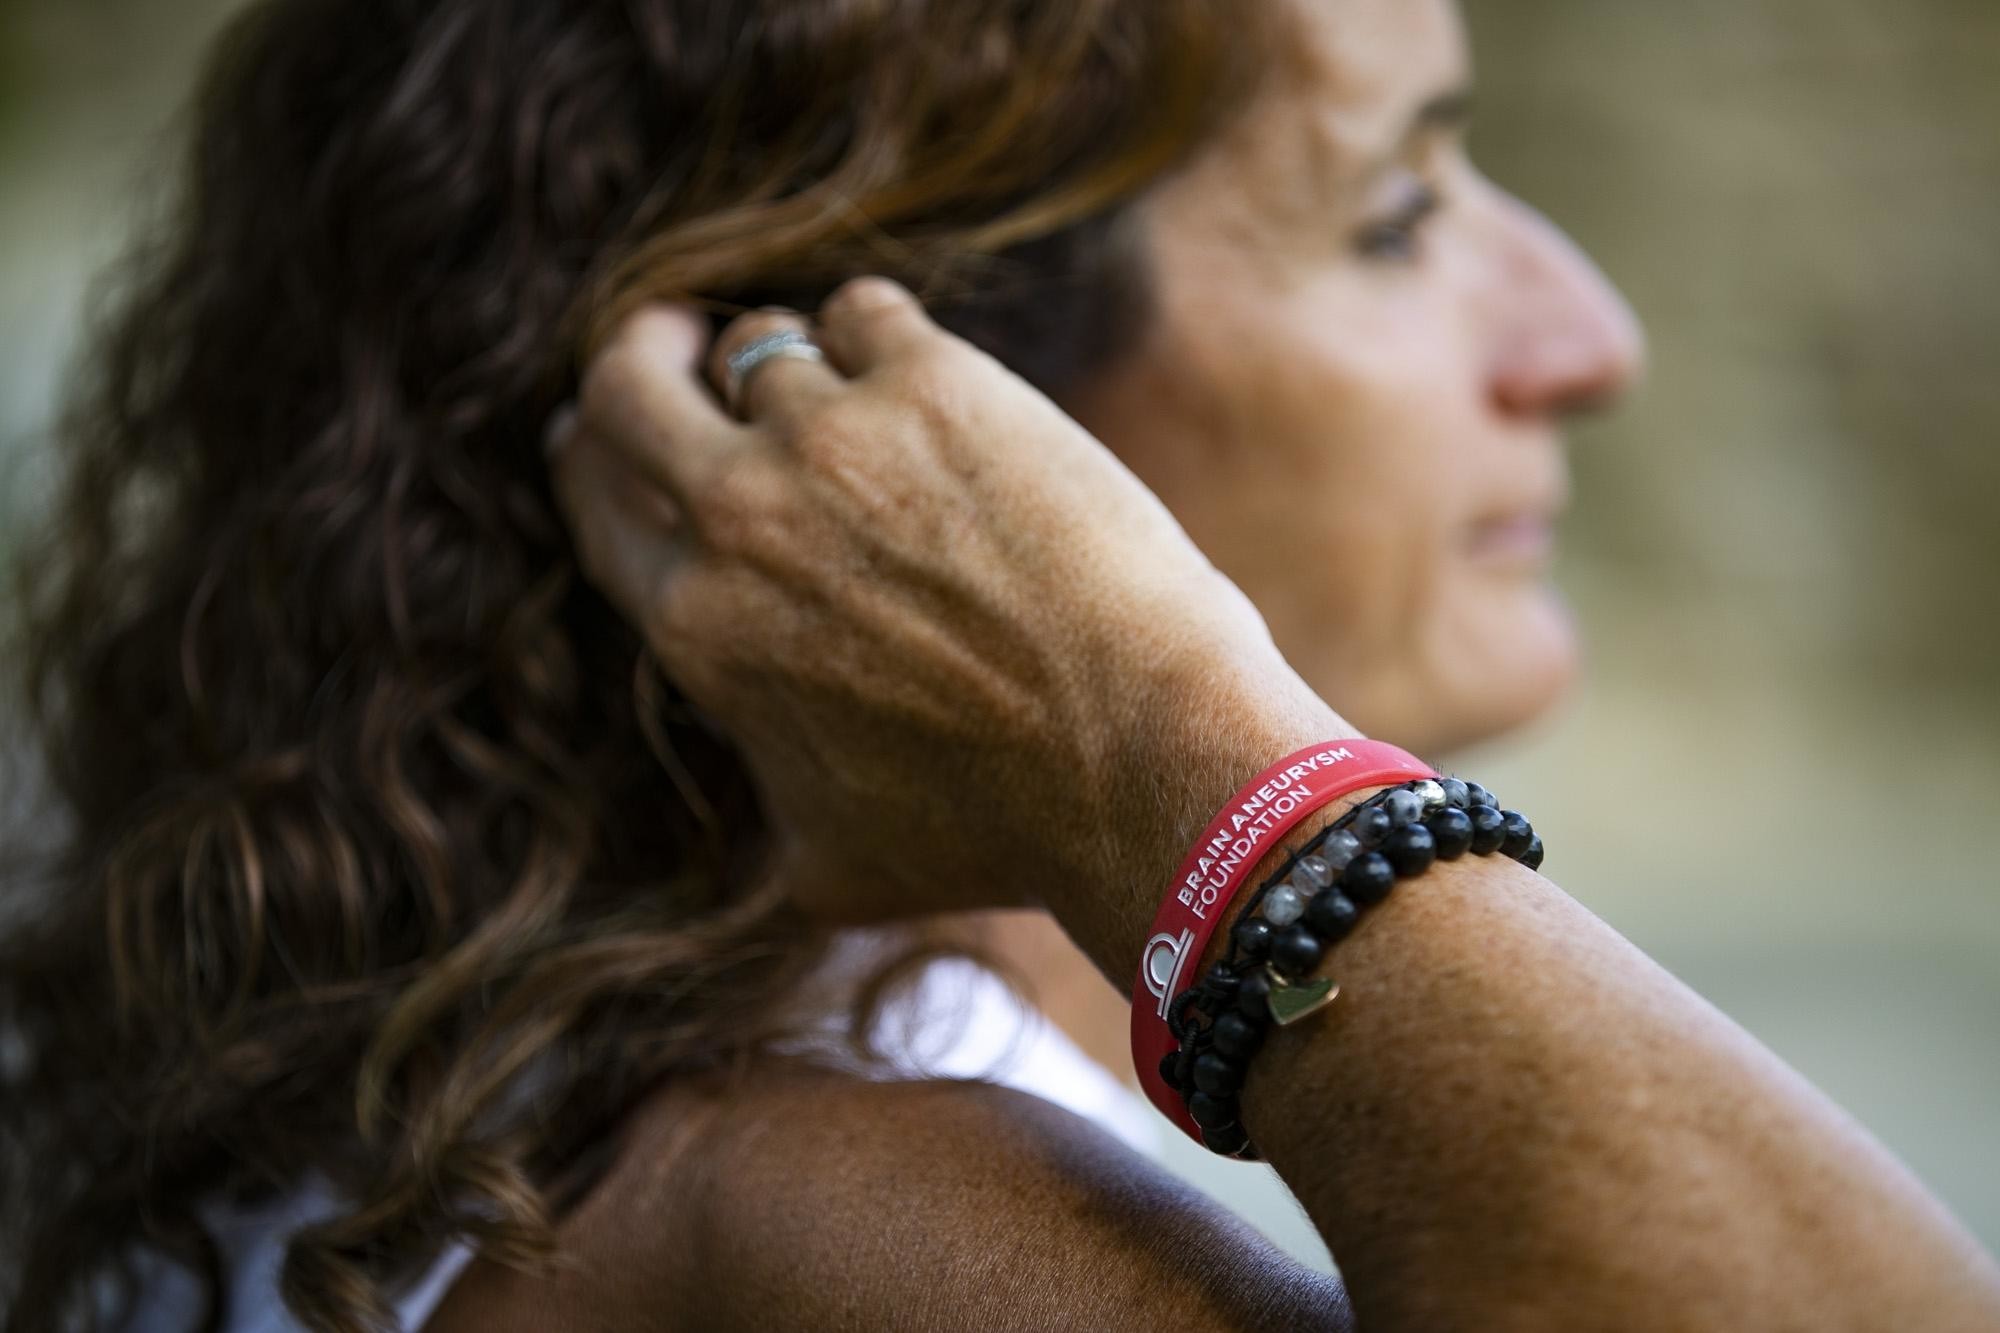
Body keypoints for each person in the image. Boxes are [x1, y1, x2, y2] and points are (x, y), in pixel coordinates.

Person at [2, 1, 1997, 1331]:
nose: (1587, 334)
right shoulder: (792, 1208)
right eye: (1394, 216)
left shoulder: (439, 1083)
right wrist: (1170, 750)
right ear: (899, 436)